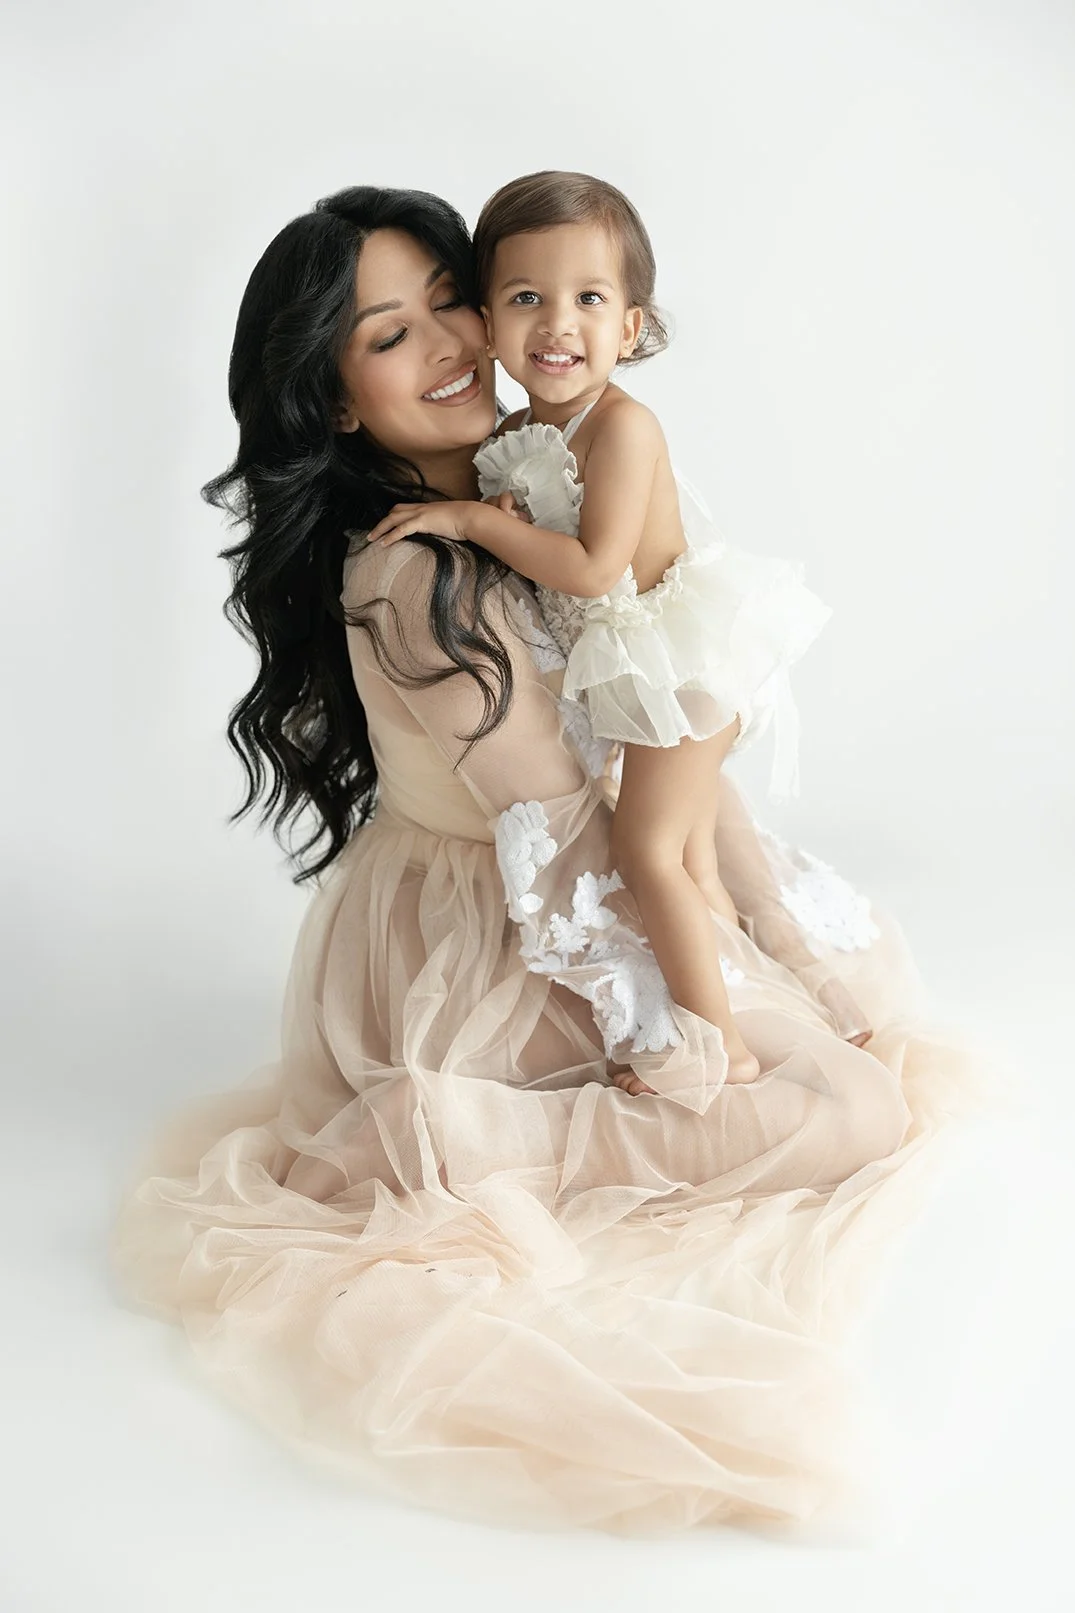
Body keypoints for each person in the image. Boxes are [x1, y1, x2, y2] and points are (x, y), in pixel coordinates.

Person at [110, 183, 985, 1536]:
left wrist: (768, 924)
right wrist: (676, 1016)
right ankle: (457, 1128)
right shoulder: (421, 576)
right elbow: (567, 837)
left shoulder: (524, 476)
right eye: (390, 335)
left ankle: (698, 1023)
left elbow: (655, 731)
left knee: (853, 1008)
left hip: (589, 852)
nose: (455, 343)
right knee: (851, 1112)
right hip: (508, 916)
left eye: (449, 301)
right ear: (336, 401)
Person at [370, 170, 836, 1088]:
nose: (556, 325)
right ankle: (784, 1004)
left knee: (648, 853)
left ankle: (722, 1049)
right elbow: (537, 523)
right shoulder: (519, 430)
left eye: (588, 299)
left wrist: (473, 521)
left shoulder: (623, 427)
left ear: (629, 327)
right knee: (693, 862)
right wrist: (506, 509)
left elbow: (589, 566)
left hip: (678, 665)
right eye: (526, 299)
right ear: (488, 325)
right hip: (630, 667)